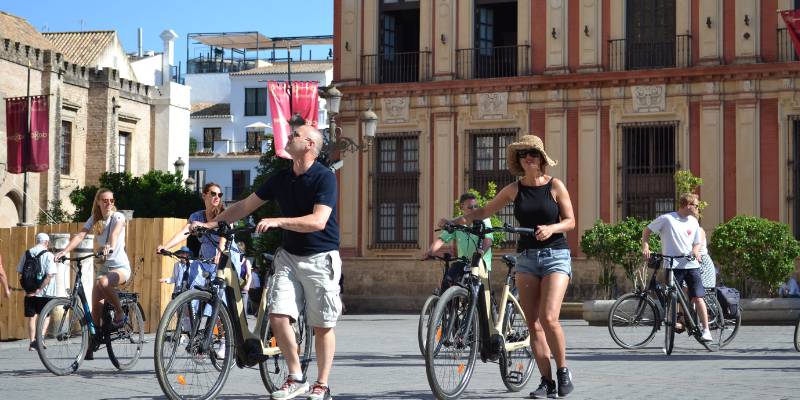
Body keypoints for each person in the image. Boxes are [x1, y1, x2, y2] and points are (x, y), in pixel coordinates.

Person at [191, 125, 341, 400]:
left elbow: (319, 221)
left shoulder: (325, 178)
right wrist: (208, 225)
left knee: (322, 326)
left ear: (310, 145)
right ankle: (296, 377)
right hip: (289, 257)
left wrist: (278, 221)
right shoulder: (281, 178)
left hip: (320, 258)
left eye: (296, 134)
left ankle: (322, 384)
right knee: (278, 316)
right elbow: (243, 207)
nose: (289, 136)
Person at [439, 135, 575, 399]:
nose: (528, 157)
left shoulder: (555, 185)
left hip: (555, 255)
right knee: (533, 323)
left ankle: (563, 371)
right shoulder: (514, 189)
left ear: (541, 158)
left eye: (533, 153)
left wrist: (552, 228)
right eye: (523, 154)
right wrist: (454, 222)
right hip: (526, 258)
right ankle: (546, 381)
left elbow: (570, 221)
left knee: (548, 318)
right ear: (519, 160)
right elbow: (483, 212)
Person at [157, 182, 232, 360]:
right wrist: (166, 246)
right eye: (213, 193)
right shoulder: (196, 216)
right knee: (188, 286)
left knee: (218, 299)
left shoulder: (225, 213)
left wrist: (220, 252)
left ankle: (224, 342)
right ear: (204, 195)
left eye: (220, 195)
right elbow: (183, 233)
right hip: (205, 259)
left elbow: (225, 234)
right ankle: (190, 324)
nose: (217, 197)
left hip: (224, 257)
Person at [57, 189, 130, 338]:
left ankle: (120, 312)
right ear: (98, 202)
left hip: (120, 267)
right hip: (103, 268)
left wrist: (111, 247)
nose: (109, 203)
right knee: (95, 308)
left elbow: (115, 233)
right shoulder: (95, 219)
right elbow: (80, 236)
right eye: (105, 200)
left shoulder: (118, 216)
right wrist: (64, 252)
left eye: (111, 200)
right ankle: (92, 343)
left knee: (104, 283)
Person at [642, 193, 713, 342]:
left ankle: (706, 331)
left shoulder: (693, 222)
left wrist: (695, 250)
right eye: (696, 205)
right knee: (672, 300)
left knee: (698, 297)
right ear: (688, 205)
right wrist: (646, 247)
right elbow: (646, 231)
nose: (697, 208)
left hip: (691, 265)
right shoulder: (667, 219)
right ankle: (669, 338)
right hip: (673, 266)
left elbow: (697, 241)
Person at [425, 192, 493, 295]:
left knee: (475, 293)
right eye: (470, 207)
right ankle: (450, 304)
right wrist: (430, 252)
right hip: (462, 262)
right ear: (462, 207)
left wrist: (477, 255)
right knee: (445, 280)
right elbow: (442, 239)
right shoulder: (458, 222)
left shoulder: (484, 220)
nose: (473, 209)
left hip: (480, 263)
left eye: (475, 206)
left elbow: (488, 241)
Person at [17, 233, 56, 351]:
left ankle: (32, 342)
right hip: (46, 292)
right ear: (46, 243)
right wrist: (39, 289)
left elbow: (20, 273)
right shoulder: (49, 255)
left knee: (32, 317)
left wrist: (26, 288)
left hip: (29, 291)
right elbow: (49, 275)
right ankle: (41, 338)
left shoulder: (26, 253)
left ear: (36, 241)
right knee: (46, 316)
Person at [236, 241, 253, 315]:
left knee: (243, 310)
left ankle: (243, 322)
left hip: (243, 288)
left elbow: (249, 275)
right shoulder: (233, 261)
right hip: (233, 287)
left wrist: (247, 285)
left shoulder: (246, 262)